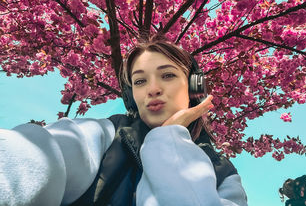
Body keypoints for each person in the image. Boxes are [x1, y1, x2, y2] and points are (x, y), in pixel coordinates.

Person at [0, 40, 248, 206]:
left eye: (168, 75)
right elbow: (43, 152)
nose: (152, 89)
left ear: (195, 87)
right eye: (139, 82)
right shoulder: (106, 134)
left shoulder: (224, 175)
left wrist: (170, 137)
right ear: (130, 96)